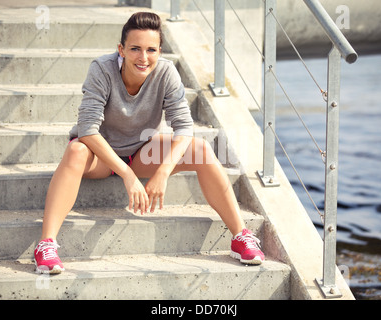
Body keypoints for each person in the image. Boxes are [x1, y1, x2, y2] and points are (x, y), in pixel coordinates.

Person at [34, 12, 265, 274]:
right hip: (98, 156)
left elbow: (184, 127)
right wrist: (127, 175)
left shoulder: (166, 72)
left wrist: (164, 171)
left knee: (200, 150)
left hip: (141, 151)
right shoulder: (101, 69)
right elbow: (87, 130)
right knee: (75, 149)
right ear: (121, 49)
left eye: (151, 50)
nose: (143, 58)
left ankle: (240, 236)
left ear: (159, 51)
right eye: (135, 49)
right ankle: (46, 244)